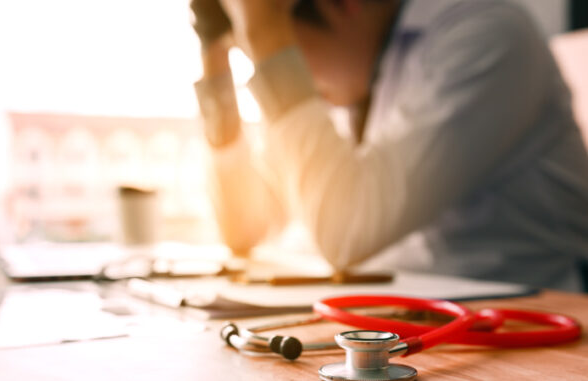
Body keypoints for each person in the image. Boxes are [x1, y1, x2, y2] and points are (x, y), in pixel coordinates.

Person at [190, 0, 588, 291]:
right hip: (381, 316)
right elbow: (243, 229)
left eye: (282, 53)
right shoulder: (351, 79)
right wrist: (215, 61)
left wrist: (266, 35)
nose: (281, 75)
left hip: (507, 326)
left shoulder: (487, 34)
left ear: (341, 5)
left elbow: (345, 233)